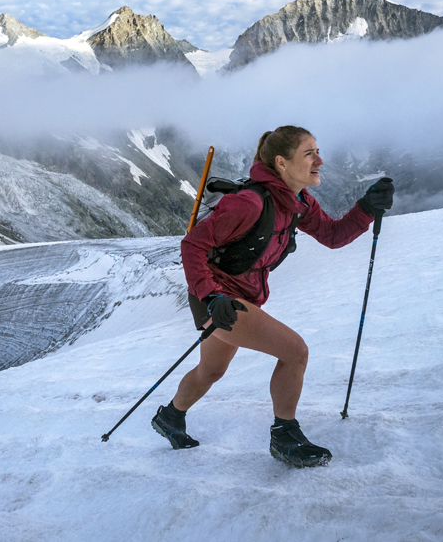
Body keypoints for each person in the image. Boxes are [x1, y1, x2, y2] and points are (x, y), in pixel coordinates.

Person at [151, 125, 394, 467]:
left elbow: (333, 235)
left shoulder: (298, 202)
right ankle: (285, 436)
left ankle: (170, 417)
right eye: (309, 153)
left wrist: (366, 207)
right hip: (220, 299)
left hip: (237, 297)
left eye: (317, 151)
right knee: (295, 352)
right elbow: (193, 245)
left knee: (211, 370)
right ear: (282, 163)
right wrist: (211, 298)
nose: (320, 160)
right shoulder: (248, 203)